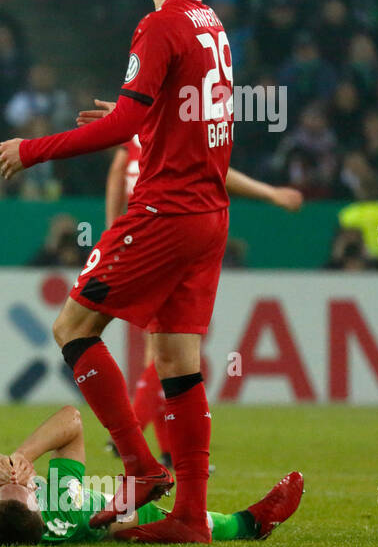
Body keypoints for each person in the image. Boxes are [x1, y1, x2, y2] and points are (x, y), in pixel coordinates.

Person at [0, 0, 231, 543]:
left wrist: (33, 149)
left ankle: (140, 467)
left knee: (72, 326)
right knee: (179, 361)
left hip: (165, 210)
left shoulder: (158, 26)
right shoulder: (211, 23)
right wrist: (143, 121)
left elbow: (123, 126)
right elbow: (177, 113)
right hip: (209, 215)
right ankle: (188, 518)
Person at [104, 130, 304, 465]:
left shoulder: (142, 129)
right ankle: (129, 431)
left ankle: (168, 450)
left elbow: (116, 173)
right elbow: (216, 170)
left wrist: (112, 230)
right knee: (172, 348)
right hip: (167, 231)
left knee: (158, 351)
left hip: (135, 234)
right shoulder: (182, 127)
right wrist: (271, 194)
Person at [0, 411, 303, 546]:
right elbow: (73, 421)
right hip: (73, 517)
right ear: (39, 501)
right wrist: (24, 457)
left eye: (8, 482)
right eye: (25, 484)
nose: (16, 478)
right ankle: (247, 524)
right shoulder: (65, 510)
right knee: (130, 517)